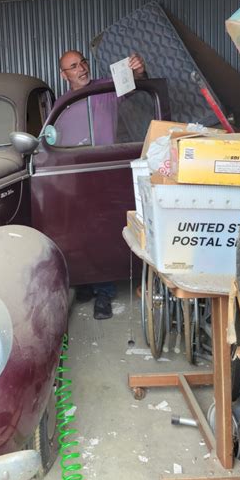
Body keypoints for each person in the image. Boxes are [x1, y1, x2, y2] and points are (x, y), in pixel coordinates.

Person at [58, 49, 147, 319]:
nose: (81, 68)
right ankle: (86, 283)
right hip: (76, 176)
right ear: (65, 75)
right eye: (73, 66)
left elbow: (134, 84)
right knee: (78, 232)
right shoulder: (62, 104)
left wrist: (138, 71)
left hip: (105, 171)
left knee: (103, 231)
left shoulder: (106, 88)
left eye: (82, 62)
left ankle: (104, 294)